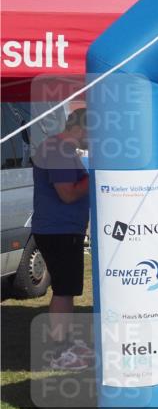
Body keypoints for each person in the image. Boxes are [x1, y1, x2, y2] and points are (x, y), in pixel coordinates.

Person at [32, 109, 91, 370]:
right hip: (59, 230)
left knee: (67, 289)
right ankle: (59, 353)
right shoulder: (58, 150)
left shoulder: (60, 149)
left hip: (62, 230)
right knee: (64, 290)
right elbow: (67, 194)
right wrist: (96, 175)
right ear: (81, 128)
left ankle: (66, 345)